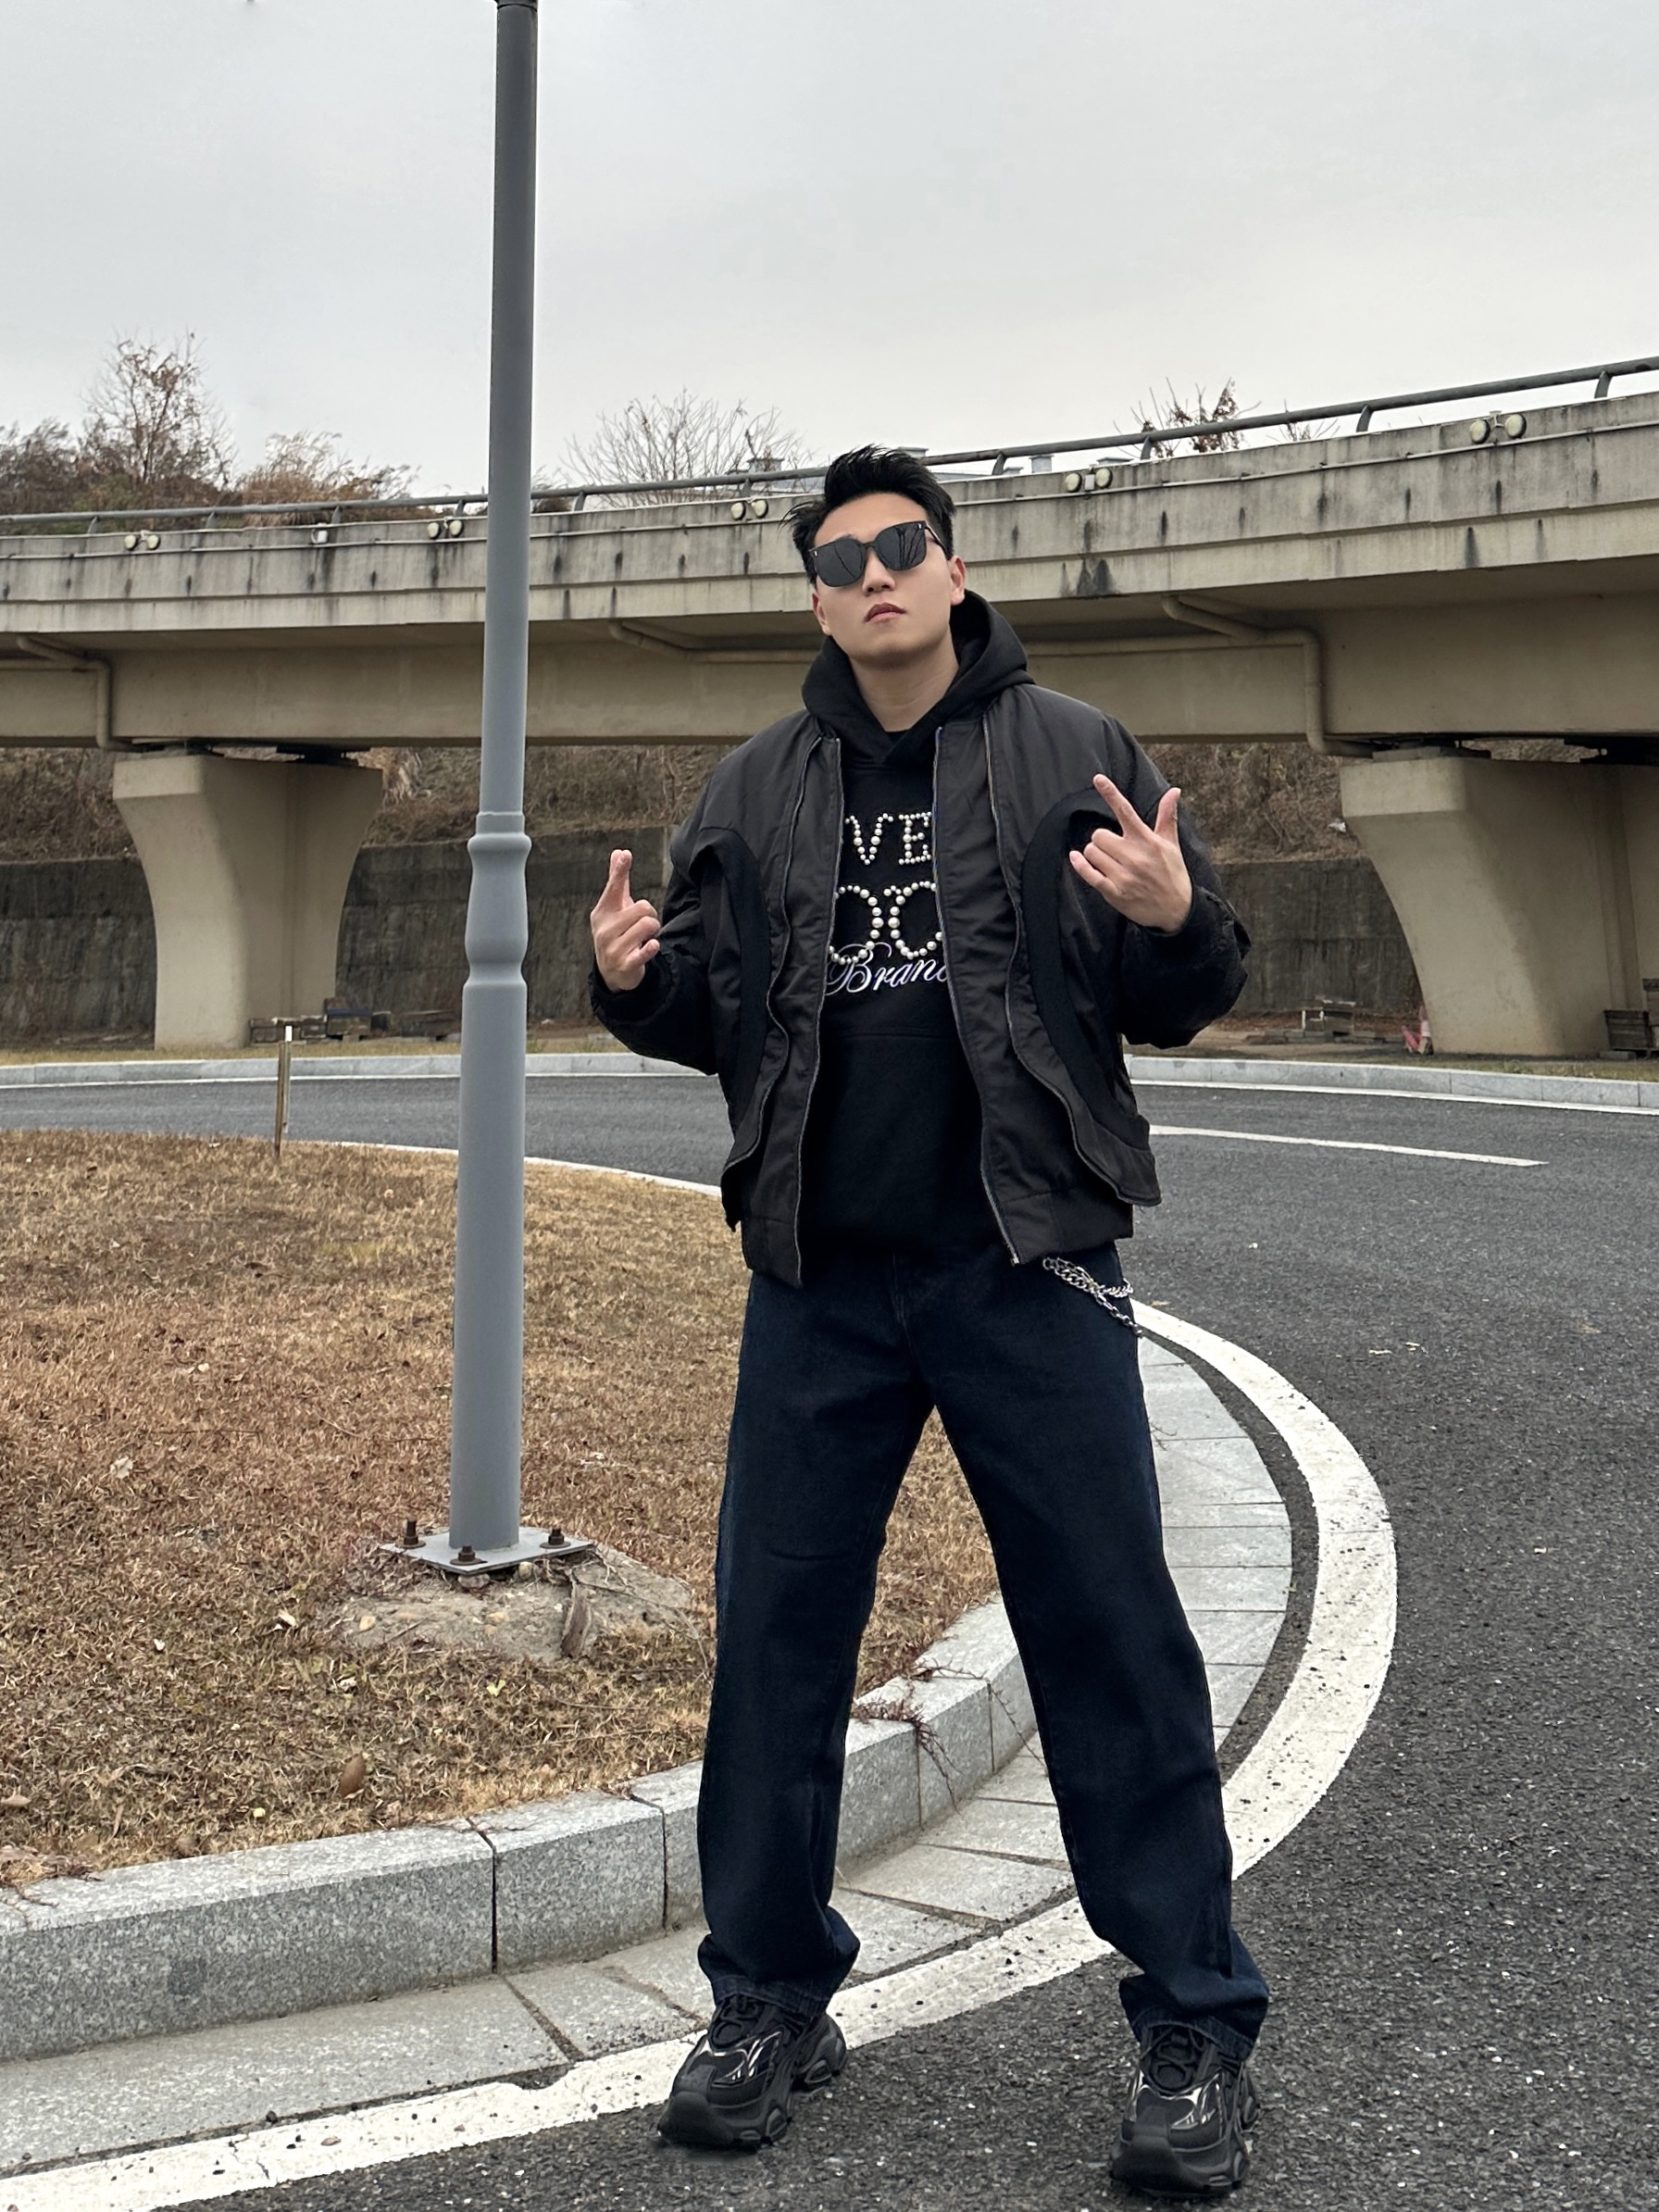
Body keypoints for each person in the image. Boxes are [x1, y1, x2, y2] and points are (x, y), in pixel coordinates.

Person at [588, 446, 1268, 2195]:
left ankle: (1194, 2022)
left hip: (1024, 1265)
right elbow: (720, 1012)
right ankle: (766, 2000)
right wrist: (633, 985)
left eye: (904, 546)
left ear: (954, 572)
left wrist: (1179, 920)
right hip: (820, 1281)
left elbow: (1182, 985)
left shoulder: (1073, 750)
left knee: (1111, 1637)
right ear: (818, 601)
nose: (876, 574)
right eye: (843, 559)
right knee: (777, 1645)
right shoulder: (755, 786)